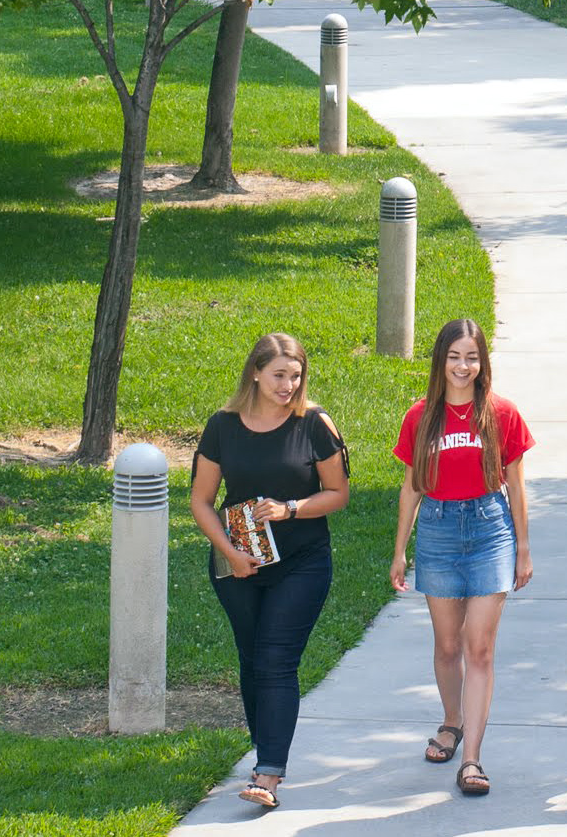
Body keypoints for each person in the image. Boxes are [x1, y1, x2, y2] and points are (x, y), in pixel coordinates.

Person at [184, 333, 349, 811]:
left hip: (302, 562)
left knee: (276, 659)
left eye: (296, 376)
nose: (288, 385)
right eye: (279, 375)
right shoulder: (222, 426)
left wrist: (291, 508)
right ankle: (266, 750)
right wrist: (231, 555)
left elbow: (337, 494)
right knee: (253, 659)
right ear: (255, 372)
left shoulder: (314, 424)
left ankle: (269, 772)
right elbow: (200, 500)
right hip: (238, 564)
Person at [388, 318, 533, 797]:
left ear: (482, 362)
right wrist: (399, 550)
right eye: (454, 356)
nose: (463, 366)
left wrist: (523, 550)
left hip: (491, 529)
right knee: (448, 645)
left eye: (471, 357)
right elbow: (411, 488)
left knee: (480, 648)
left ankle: (472, 759)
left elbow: (515, 484)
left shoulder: (502, 414)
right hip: (438, 529)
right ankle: (451, 722)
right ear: (440, 361)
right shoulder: (420, 416)